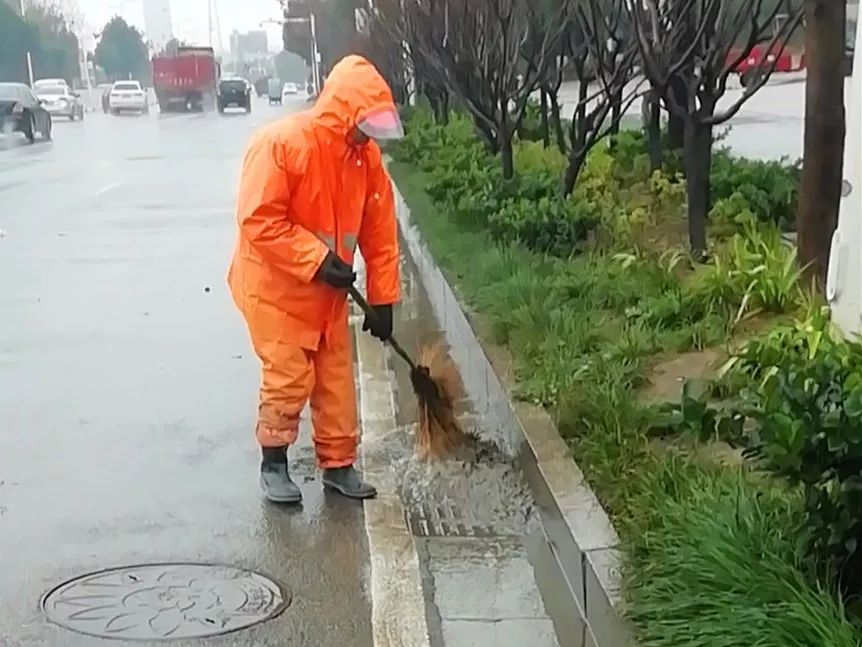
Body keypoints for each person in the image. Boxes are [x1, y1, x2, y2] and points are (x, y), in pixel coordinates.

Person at [228, 55, 404, 504]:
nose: (368, 136)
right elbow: (259, 220)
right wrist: (316, 259)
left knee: (335, 380)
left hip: (327, 292)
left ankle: (338, 466)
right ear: (343, 109)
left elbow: (380, 235)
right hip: (276, 289)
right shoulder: (283, 145)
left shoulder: (365, 161)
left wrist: (383, 300)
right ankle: (274, 463)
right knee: (288, 376)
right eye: (363, 125)